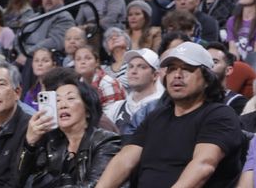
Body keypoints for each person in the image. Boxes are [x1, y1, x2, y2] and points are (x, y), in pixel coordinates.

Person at [96, 42, 243, 188]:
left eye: (187, 69)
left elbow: (204, 165)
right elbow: (124, 160)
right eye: (172, 69)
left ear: (207, 80)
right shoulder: (156, 117)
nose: (177, 75)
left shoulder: (220, 115)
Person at [18, 68, 121, 187]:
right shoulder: (52, 143)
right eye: (57, 100)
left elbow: (94, 184)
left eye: (70, 98)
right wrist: (29, 143)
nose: (62, 105)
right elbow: (19, 179)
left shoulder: (106, 141)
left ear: (87, 110)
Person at [105, 48, 164, 133]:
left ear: (155, 75)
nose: (133, 71)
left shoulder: (163, 107)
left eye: (142, 67)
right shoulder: (116, 108)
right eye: (131, 66)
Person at [207, 42, 248, 114]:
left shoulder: (237, 102)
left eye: (215, 62)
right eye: (205, 61)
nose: (208, 66)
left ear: (228, 70)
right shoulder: (192, 98)